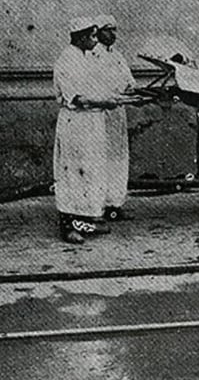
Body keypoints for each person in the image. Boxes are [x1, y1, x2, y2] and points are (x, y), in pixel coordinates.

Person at [53, 17, 117, 244]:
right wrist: (105, 102)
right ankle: (67, 227)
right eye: (92, 36)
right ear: (80, 37)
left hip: (92, 122)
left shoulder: (85, 57)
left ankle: (85, 223)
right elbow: (78, 98)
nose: (95, 39)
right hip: (76, 123)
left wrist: (110, 98)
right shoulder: (67, 60)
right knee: (73, 173)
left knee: (90, 172)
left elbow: (97, 86)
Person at [93, 14, 136, 221]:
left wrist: (130, 91)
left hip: (118, 112)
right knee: (100, 157)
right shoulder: (92, 56)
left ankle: (115, 204)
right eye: (108, 29)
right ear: (98, 32)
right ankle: (98, 205)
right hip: (99, 113)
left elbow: (129, 82)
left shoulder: (117, 56)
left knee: (118, 157)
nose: (113, 34)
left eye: (114, 30)